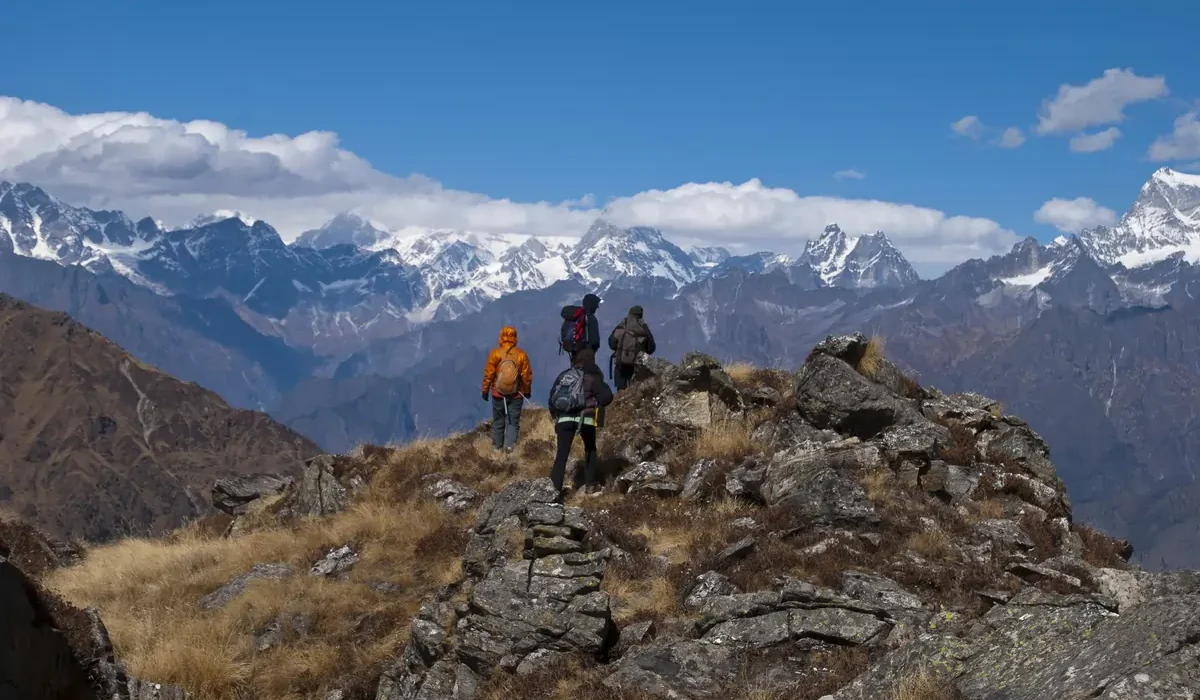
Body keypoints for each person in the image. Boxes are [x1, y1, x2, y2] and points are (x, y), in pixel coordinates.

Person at [547, 346, 614, 497]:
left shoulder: (564, 375)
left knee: (562, 454)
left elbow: (552, 399)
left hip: (564, 419)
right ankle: (590, 485)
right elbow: (606, 398)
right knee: (590, 449)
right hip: (586, 420)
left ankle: (553, 491)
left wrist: (556, 417)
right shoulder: (593, 376)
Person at [481, 326, 533, 452]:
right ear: (515, 337)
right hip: (517, 393)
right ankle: (510, 448)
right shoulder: (521, 354)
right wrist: (527, 391)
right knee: (513, 422)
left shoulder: (495, 353)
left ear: (501, 337)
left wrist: (485, 390)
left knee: (498, 421)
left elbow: (489, 374)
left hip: (497, 393)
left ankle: (497, 448)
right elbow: (526, 376)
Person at [608, 305, 656, 391]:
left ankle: (621, 402)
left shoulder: (622, 326)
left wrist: (621, 350)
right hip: (637, 366)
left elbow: (611, 343)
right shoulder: (643, 328)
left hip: (620, 366)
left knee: (621, 391)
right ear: (640, 315)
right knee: (636, 391)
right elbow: (651, 348)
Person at [559, 293, 602, 362]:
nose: (597, 307)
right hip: (587, 354)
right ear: (591, 305)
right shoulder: (590, 318)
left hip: (573, 353)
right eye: (596, 304)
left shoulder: (575, 316)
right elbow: (594, 341)